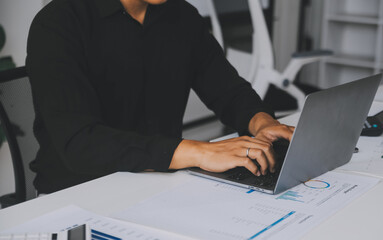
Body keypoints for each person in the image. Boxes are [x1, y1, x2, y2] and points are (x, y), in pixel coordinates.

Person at [26, 0, 294, 194]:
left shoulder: (182, 16)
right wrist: (198, 152)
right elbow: (80, 143)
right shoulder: (58, 23)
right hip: (78, 195)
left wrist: (263, 124)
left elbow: (228, 90)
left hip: (160, 185)